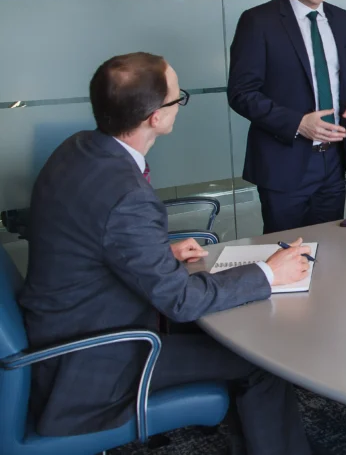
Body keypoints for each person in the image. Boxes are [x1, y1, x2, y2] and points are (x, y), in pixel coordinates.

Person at [18, 53, 313, 455]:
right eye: (179, 98)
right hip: (94, 361)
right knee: (260, 364)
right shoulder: (127, 196)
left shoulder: (79, 149)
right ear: (155, 117)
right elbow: (181, 301)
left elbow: (90, 233)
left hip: (71, 320)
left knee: (234, 324)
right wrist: (268, 273)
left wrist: (154, 251)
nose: (180, 106)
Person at [228, 0, 346, 234]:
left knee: (333, 250)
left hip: (332, 161)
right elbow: (241, 93)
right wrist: (297, 123)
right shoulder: (258, 21)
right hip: (283, 164)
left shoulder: (340, 19)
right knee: (287, 257)